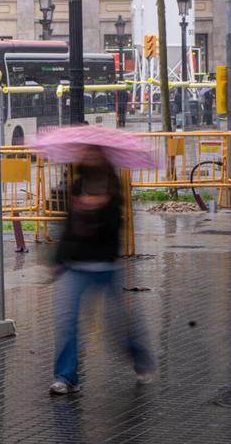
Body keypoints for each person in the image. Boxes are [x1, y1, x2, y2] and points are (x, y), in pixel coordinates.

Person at [50, 144, 153, 394]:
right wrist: (57, 260)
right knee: (66, 320)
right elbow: (67, 224)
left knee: (116, 325)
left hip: (105, 265)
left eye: (94, 153)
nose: (89, 157)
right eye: (86, 153)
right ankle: (66, 377)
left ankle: (139, 358)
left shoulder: (113, 188)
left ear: (103, 157)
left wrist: (99, 208)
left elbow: (114, 227)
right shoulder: (77, 185)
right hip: (76, 265)